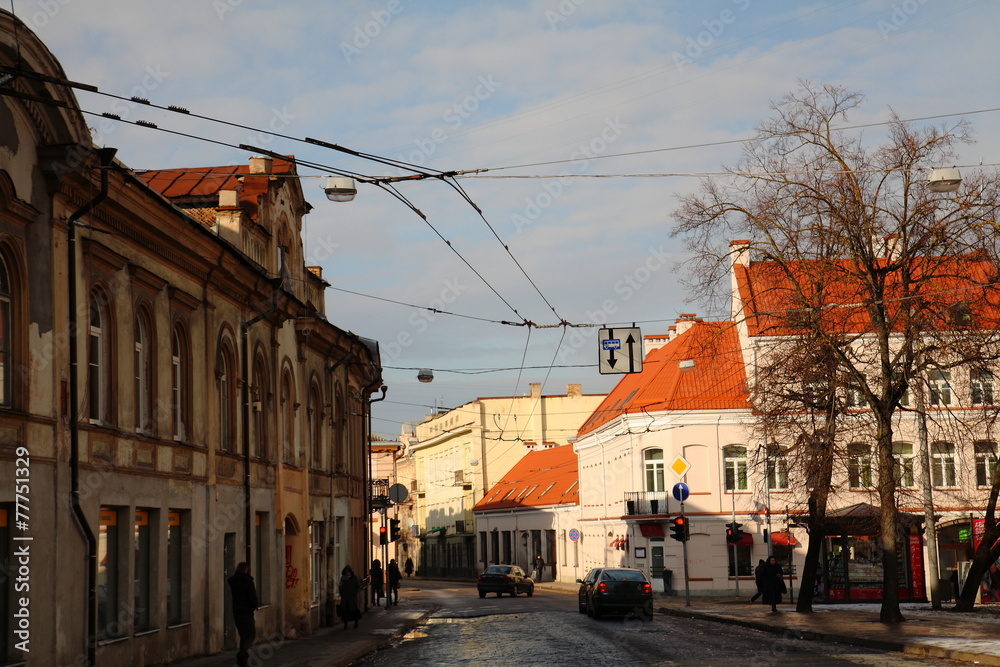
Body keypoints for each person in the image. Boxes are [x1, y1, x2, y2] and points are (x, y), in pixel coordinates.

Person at [228, 562, 258, 667]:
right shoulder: (248, 581)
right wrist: (255, 605)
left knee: (243, 635)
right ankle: (242, 653)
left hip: (237, 611)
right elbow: (252, 597)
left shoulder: (233, 581)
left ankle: (242, 661)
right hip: (247, 612)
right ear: (246, 569)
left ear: (237, 569)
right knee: (250, 634)